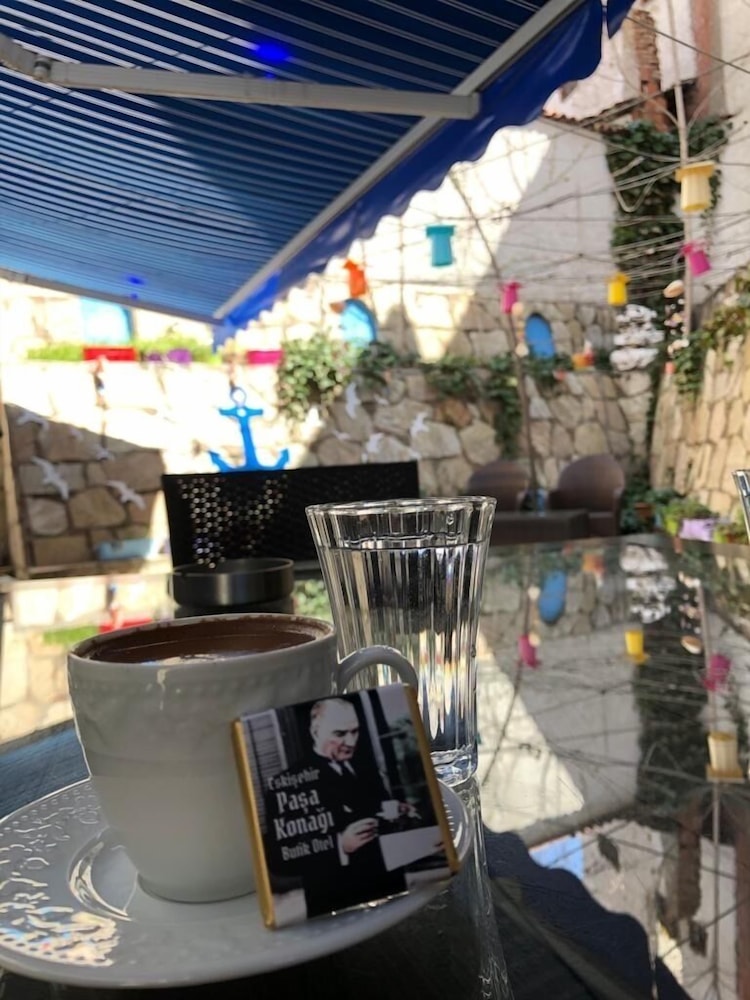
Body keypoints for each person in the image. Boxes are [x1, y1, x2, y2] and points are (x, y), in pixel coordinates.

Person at [302, 697, 407, 916]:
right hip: (335, 903)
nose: (351, 742)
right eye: (340, 734)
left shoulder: (363, 764)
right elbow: (282, 861)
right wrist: (341, 845)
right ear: (315, 732)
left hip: (391, 887)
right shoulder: (295, 780)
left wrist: (396, 809)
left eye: (355, 731)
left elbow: (374, 806)